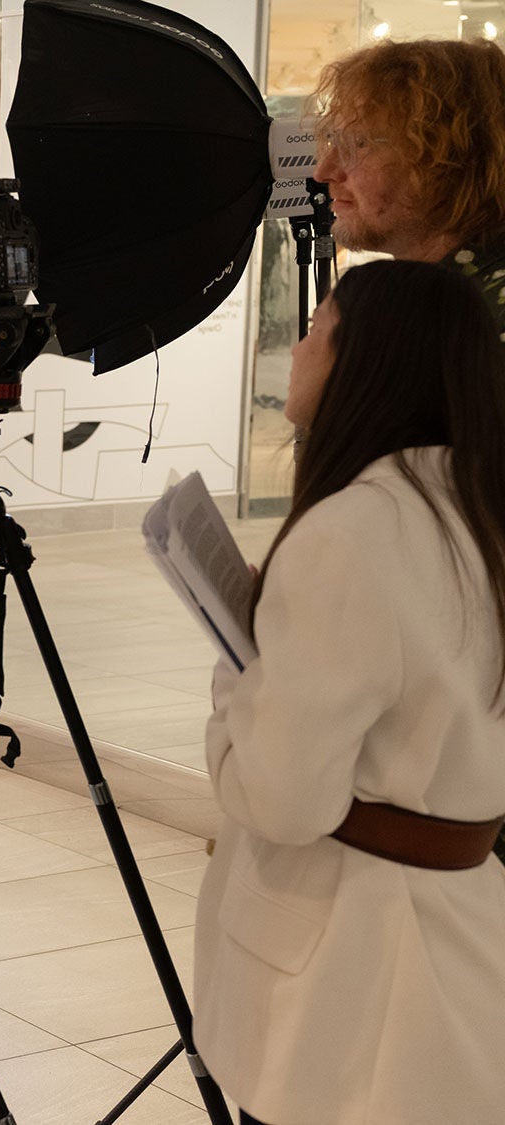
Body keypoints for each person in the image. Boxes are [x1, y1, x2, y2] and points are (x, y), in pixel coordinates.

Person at [195, 259, 505, 1124]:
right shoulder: (477, 511)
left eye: (318, 328)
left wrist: (239, 665)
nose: (296, 349)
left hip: (342, 989)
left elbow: (283, 795)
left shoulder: (349, 532)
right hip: (463, 955)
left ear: (367, 361)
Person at [312, 39, 505, 315]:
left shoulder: (481, 318)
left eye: (360, 143)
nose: (323, 172)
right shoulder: (433, 298)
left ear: (448, 158)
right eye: (333, 140)